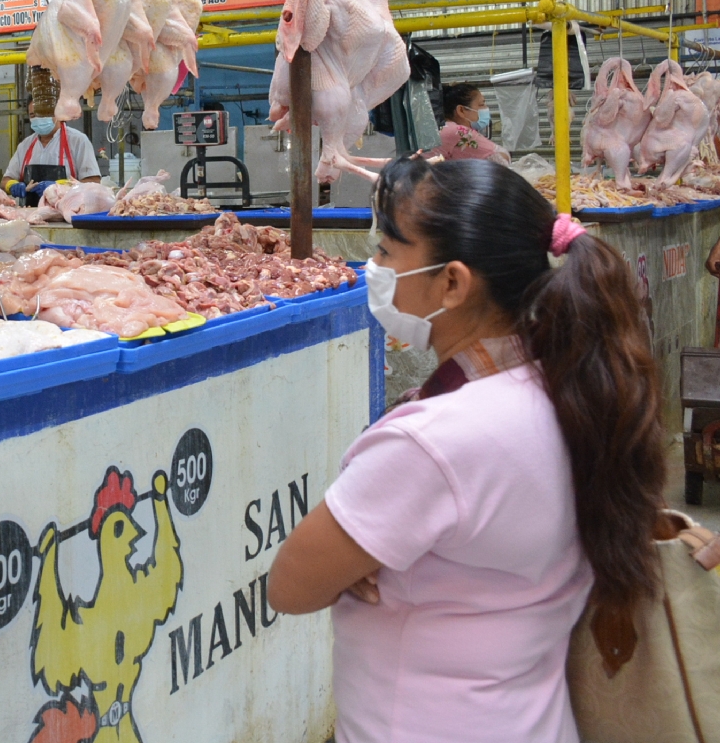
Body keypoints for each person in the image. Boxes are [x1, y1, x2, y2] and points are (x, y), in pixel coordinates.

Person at [268, 157, 665, 743]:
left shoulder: (432, 443)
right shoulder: (572, 390)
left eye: (386, 253)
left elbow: (291, 585)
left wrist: (356, 560)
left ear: (451, 282)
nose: (373, 269)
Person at [437, 83, 510, 163]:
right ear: (461, 110)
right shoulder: (455, 130)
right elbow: (499, 158)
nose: (486, 108)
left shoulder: (444, 128)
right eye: (481, 104)